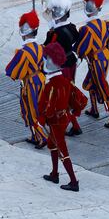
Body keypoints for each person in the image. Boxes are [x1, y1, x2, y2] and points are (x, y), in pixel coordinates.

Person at [37, 43, 87, 191]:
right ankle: (54, 174)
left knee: (62, 152)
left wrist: (42, 119)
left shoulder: (51, 85)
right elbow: (80, 100)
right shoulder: (66, 81)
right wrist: (72, 111)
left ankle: (74, 182)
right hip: (64, 118)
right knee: (52, 145)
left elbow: (48, 107)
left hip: (56, 122)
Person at [77, 0, 109, 127]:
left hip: (96, 61)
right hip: (105, 58)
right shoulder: (105, 24)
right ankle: (94, 109)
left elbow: (82, 49)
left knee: (102, 87)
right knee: (91, 83)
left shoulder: (87, 29)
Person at [5, 8, 48, 148]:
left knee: (30, 110)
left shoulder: (23, 52)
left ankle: (42, 137)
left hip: (30, 83)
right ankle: (35, 136)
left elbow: (12, 72)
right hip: (41, 80)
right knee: (38, 109)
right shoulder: (41, 47)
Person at [42, 0, 81, 136]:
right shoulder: (71, 28)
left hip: (62, 66)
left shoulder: (54, 34)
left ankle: (70, 126)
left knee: (62, 97)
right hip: (72, 61)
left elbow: (47, 49)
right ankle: (74, 125)